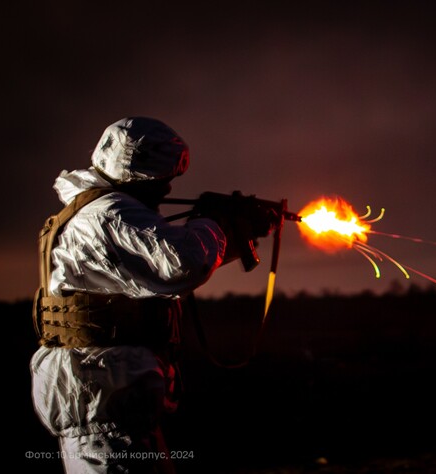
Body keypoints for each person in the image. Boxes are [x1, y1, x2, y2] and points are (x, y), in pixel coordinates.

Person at [30, 117, 265, 473]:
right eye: (162, 181)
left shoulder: (102, 213)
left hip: (110, 403)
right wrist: (217, 223)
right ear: (137, 175)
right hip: (100, 405)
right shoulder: (108, 215)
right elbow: (180, 263)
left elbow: (159, 270)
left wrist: (231, 235)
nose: (168, 191)